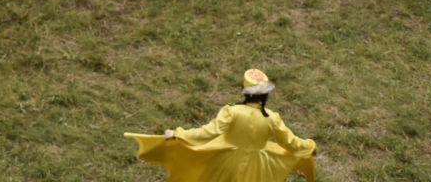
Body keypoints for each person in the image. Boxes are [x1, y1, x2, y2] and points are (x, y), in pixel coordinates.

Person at [125, 69, 316, 180]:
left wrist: (178, 133)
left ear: (244, 91)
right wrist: (309, 145)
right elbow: (291, 143)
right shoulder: (272, 118)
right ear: (265, 94)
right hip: (257, 168)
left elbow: (206, 133)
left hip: (226, 162)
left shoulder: (231, 112)